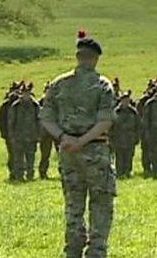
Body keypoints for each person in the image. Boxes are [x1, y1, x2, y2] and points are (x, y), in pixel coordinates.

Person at [39, 30, 117, 258]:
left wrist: (64, 138)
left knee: (73, 202)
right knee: (101, 201)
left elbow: (45, 117)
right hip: (95, 150)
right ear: (95, 58)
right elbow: (106, 120)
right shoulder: (102, 85)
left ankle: (73, 248)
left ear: (78, 56)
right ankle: (96, 250)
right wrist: (83, 141)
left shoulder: (59, 84)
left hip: (68, 152)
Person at [9, 82, 42, 182]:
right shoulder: (15, 106)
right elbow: (11, 122)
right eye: (23, 93)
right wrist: (12, 136)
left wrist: (39, 135)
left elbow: (39, 121)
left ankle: (30, 176)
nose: (25, 95)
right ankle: (19, 176)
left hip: (32, 137)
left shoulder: (35, 106)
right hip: (19, 137)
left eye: (27, 93)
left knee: (31, 158)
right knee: (18, 159)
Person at [110, 90, 140, 178]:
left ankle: (128, 172)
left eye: (127, 100)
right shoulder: (115, 112)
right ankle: (119, 173)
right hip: (118, 139)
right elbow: (111, 126)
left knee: (129, 157)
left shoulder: (133, 112)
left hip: (130, 139)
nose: (125, 102)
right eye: (124, 100)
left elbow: (138, 125)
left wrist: (137, 137)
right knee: (119, 157)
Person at [0, 82, 20, 181]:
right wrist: (4, 133)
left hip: (23, 134)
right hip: (9, 134)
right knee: (12, 154)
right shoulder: (6, 104)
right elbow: (2, 120)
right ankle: (13, 173)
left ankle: (20, 173)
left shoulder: (22, 103)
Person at [39, 81, 57, 179]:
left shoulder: (58, 102)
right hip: (45, 133)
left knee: (62, 154)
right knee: (45, 154)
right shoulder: (41, 102)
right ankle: (43, 172)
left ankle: (62, 171)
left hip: (57, 132)